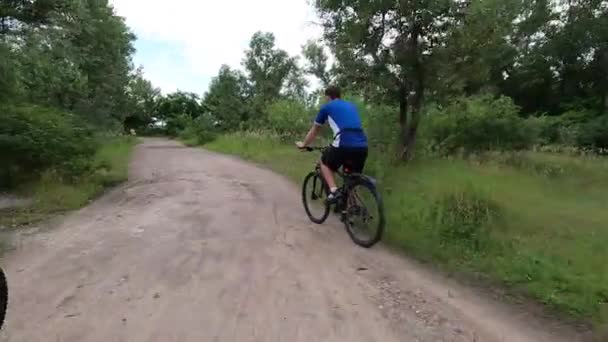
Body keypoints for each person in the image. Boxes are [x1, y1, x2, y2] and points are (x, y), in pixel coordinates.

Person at [296, 86, 368, 204]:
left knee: (324, 162)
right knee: (352, 179)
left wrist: (304, 144)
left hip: (343, 143)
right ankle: (353, 207)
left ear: (327, 97)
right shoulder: (351, 106)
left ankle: (334, 191)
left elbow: (315, 130)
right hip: (362, 145)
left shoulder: (326, 107)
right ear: (340, 95)